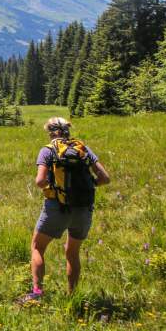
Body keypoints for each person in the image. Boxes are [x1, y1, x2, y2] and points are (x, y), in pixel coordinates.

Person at [26, 117, 111, 301]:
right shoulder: (83, 149)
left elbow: (40, 181)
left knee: (37, 247)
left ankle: (37, 294)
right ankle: (73, 296)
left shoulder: (47, 151)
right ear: (68, 130)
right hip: (83, 208)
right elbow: (105, 178)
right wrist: (90, 185)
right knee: (72, 252)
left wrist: (56, 189)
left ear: (50, 132)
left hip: (57, 207)